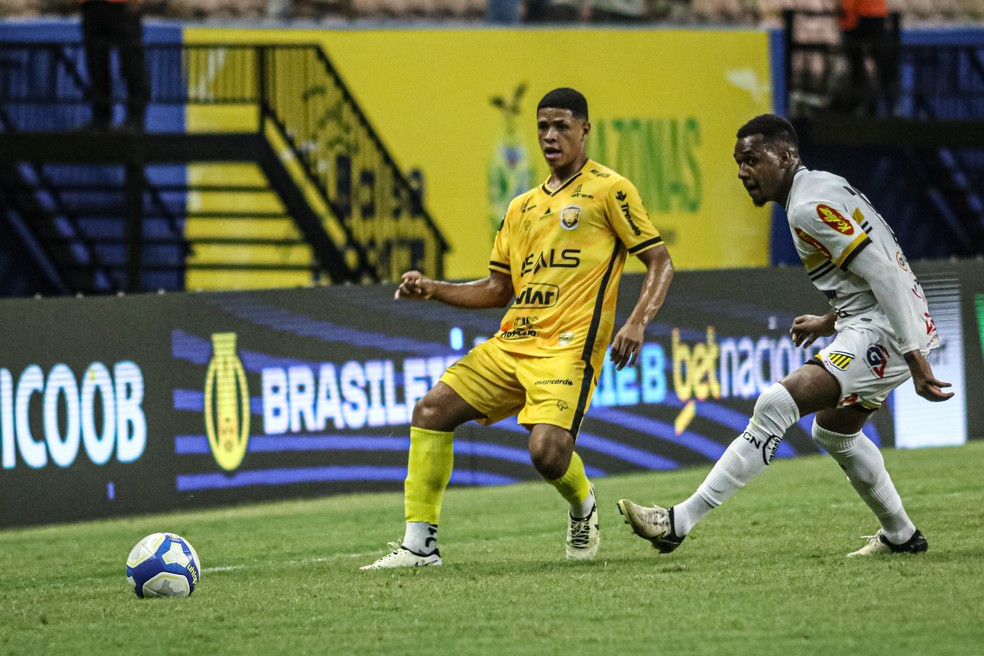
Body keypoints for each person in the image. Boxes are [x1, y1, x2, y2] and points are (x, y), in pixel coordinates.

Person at [361, 88, 674, 569]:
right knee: (432, 410)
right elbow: (496, 288)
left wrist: (637, 321)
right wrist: (434, 288)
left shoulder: (610, 189)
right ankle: (419, 546)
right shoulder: (521, 207)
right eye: (543, 127)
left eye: (562, 126)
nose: (550, 136)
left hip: (568, 349)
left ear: (584, 130)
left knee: (547, 454)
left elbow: (659, 261)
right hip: (513, 342)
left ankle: (582, 504)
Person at [618, 114, 953, 558]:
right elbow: (868, 275)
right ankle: (901, 535)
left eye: (753, 160)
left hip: (890, 330)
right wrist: (829, 321)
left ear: (786, 156)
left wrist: (916, 362)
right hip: (880, 320)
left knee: (776, 404)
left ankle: (677, 522)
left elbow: (885, 274)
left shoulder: (806, 208)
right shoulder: (822, 186)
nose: (743, 172)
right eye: (739, 163)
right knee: (834, 434)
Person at [79, 0, 150, 131]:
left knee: (132, 64)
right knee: (96, 65)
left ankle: (135, 119)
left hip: (124, 6)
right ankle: (100, 119)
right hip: (90, 5)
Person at [835, 0, 898, 116]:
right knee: (857, 66)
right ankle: (863, 103)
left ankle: (888, 104)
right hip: (854, 16)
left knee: (879, 62)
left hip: (870, 13)